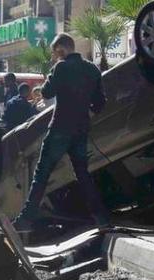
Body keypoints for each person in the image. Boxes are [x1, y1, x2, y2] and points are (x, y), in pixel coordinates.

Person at [15, 33, 109, 231]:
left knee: (42, 174)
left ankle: (25, 220)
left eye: (54, 53)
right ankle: (101, 217)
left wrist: (52, 72)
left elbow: (47, 93)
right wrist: (86, 114)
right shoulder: (92, 69)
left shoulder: (61, 67)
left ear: (61, 49)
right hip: (81, 129)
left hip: (60, 128)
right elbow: (101, 102)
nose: (54, 56)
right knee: (83, 173)